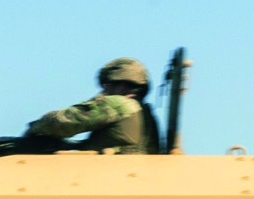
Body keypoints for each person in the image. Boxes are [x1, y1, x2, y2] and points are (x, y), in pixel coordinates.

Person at [21, 57, 158, 153]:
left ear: (121, 85)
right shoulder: (146, 115)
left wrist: (34, 127)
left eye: (106, 85)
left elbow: (65, 122)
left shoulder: (119, 104)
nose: (103, 91)